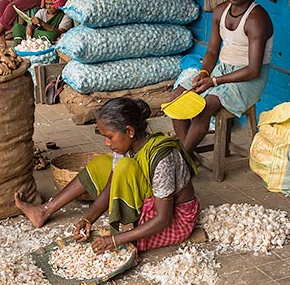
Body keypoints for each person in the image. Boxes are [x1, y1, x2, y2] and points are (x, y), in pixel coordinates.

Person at [15, 98, 199, 253]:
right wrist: (88, 219)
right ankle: (43, 211)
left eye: (109, 136)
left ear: (129, 131)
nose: (106, 143)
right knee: (102, 163)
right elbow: (111, 186)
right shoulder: (126, 146)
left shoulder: (162, 157)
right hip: (151, 203)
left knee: (125, 167)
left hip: (174, 219)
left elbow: (163, 219)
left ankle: (130, 226)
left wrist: (115, 239)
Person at [170, 0, 273, 156]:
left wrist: (214, 81)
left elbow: (253, 69)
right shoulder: (220, 10)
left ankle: (181, 158)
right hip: (222, 70)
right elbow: (211, 52)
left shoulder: (256, 19)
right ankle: (187, 155)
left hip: (248, 79)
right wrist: (204, 73)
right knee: (178, 97)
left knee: (204, 106)